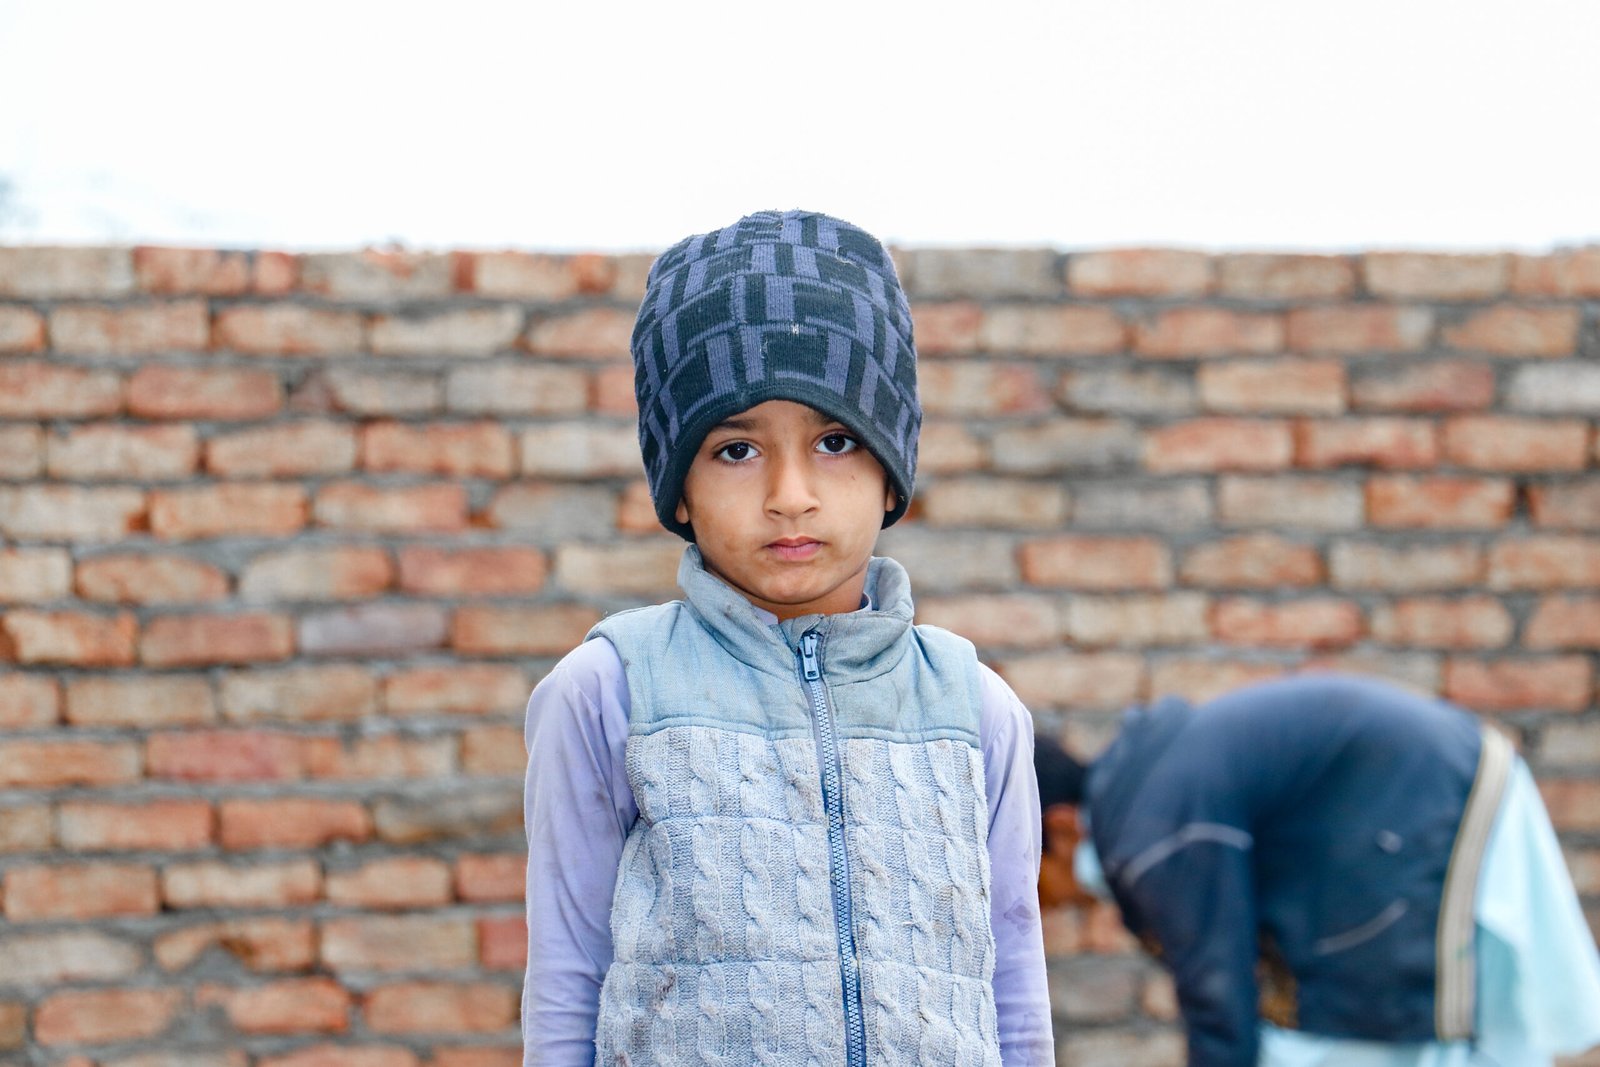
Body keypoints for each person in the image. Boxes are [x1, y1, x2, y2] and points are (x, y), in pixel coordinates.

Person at [521, 210, 1053, 1065]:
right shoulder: (610, 693)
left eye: (835, 441)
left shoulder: (975, 708)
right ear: (679, 489)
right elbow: (566, 983)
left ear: (890, 472)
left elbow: (1014, 989)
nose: (791, 493)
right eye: (736, 450)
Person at [1034, 672, 1600, 1067]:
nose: (1037, 906)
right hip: (1409, 787)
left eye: (1028, 880)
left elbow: (1217, 991)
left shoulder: (1151, 830)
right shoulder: (1149, 804)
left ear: (1060, 829)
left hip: (1422, 788)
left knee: (1383, 1028)